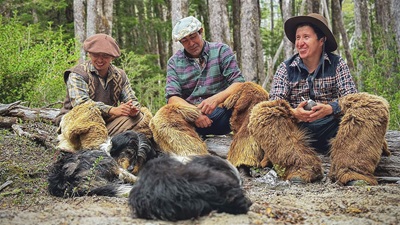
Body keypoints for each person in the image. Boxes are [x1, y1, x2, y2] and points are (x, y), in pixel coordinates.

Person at [248, 13, 389, 186]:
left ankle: (352, 170)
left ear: (321, 40)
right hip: (296, 135)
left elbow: (353, 99)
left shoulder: (338, 64)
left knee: (374, 105)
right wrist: (294, 113)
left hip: (335, 130)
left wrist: (330, 108)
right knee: (261, 113)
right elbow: (274, 104)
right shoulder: (285, 68)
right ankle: (301, 168)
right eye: (298, 38)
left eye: (306, 37)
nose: (300, 42)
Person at [149, 16, 269, 172]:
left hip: (224, 113)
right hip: (191, 120)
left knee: (254, 92)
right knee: (161, 117)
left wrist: (215, 99)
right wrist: (195, 114)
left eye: (193, 37)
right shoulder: (174, 62)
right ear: (181, 43)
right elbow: (172, 97)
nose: (191, 43)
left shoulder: (220, 50)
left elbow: (238, 83)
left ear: (201, 32)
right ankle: (198, 162)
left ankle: (243, 161)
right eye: (185, 40)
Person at [55, 33, 152, 150]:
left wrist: (133, 110)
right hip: (76, 122)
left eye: (105, 56)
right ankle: (90, 150)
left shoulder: (120, 75)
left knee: (140, 117)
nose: (100, 60)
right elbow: (82, 105)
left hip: (105, 122)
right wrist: (112, 110)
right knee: (87, 116)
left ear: (112, 57)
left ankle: (109, 144)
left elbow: (132, 100)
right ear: (89, 54)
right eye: (96, 55)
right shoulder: (77, 74)